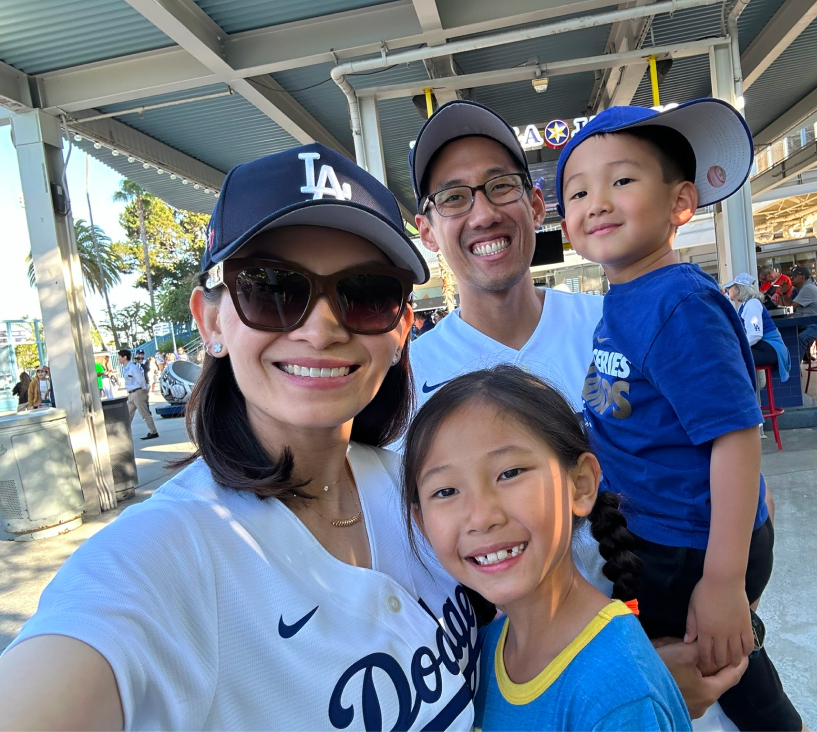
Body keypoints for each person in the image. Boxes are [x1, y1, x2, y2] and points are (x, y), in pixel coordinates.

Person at [0, 143, 481, 730]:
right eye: (273, 288)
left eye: (367, 293)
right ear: (211, 322)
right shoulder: (166, 555)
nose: (322, 327)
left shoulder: (421, 484)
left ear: (402, 327)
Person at [408, 99, 746, 722]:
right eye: (452, 197)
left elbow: (714, 463)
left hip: (675, 645)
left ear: (538, 207)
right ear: (426, 230)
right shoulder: (408, 383)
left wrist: (690, 622)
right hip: (536, 685)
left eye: (500, 186)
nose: (482, 212)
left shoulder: (614, 328)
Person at [558, 100, 803, 731]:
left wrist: (723, 582)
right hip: (663, 536)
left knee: (720, 663)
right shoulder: (626, 296)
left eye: (622, 180)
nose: (596, 201)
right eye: (577, 190)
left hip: (693, 548)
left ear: (680, 204)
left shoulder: (679, 303)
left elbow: (735, 436)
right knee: (710, 661)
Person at [403, 366, 692, 731]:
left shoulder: (618, 696)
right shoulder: (484, 652)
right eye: (445, 491)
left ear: (581, 484)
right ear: (422, 524)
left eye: (509, 473)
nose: (481, 517)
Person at [724, 273, 791, 384]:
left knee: (730, 359)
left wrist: (736, 345)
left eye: (730, 287)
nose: (727, 289)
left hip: (770, 349)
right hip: (764, 348)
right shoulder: (745, 305)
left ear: (738, 289)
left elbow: (755, 335)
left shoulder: (752, 304)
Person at [781, 265, 817, 361]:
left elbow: (790, 306)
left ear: (802, 277)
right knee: (787, 335)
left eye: (794, 276)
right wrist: (782, 293)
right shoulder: (799, 289)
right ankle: (797, 360)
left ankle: (794, 369)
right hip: (809, 322)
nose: (791, 279)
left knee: (801, 339)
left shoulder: (808, 288)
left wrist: (784, 293)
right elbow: (786, 307)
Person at [118, 349, 159, 440]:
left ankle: (153, 431)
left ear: (124, 357)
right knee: (127, 415)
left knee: (145, 414)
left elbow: (141, 379)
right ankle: (124, 434)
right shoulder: (126, 368)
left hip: (137, 392)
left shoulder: (133, 368)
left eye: (119, 357)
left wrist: (144, 389)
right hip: (131, 394)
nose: (118, 359)